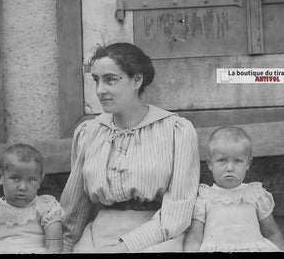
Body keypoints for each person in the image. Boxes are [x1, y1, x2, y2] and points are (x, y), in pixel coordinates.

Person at [60, 42, 200, 253]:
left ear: (137, 80)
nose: (100, 90)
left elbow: (177, 212)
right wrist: (65, 247)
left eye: (110, 80)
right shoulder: (89, 132)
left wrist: (124, 247)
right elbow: (74, 209)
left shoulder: (176, 130)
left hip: (156, 238)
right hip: (97, 237)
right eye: (96, 80)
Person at [183, 127, 284, 252]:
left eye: (238, 161)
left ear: (248, 163)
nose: (230, 168)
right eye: (222, 160)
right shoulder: (205, 198)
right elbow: (194, 237)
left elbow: (272, 233)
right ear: (210, 163)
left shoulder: (255, 195)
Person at [0, 144, 63, 253]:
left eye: (32, 179)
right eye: (15, 178)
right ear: (0, 176)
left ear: (40, 181)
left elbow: (55, 247)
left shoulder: (46, 207)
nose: (23, 187)